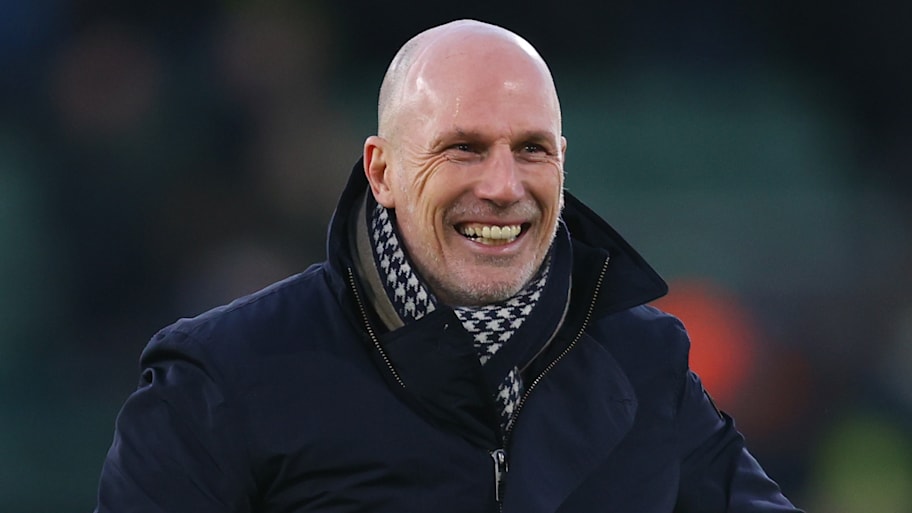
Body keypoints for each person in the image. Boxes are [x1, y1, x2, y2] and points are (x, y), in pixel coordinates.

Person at [94, 19, 802, 513]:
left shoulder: (644, 362)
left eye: (531, 149)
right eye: (463, 147)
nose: (503, 185)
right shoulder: (223, 375)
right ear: (382, 172)